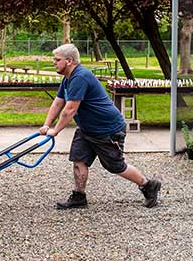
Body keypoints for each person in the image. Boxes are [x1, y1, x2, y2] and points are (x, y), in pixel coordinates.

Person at [39, 43, 161, 209]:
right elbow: (58, 102)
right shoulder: (67, 79)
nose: (54, 62)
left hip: (107, 129)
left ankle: (148, 185)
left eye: (57, 59)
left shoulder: (80, 77)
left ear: (69, 61)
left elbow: (70, 109)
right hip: (87, 128)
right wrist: (46, 125)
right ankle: (79, 196)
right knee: (79, 160)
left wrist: (55, 130)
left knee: (116, 166)